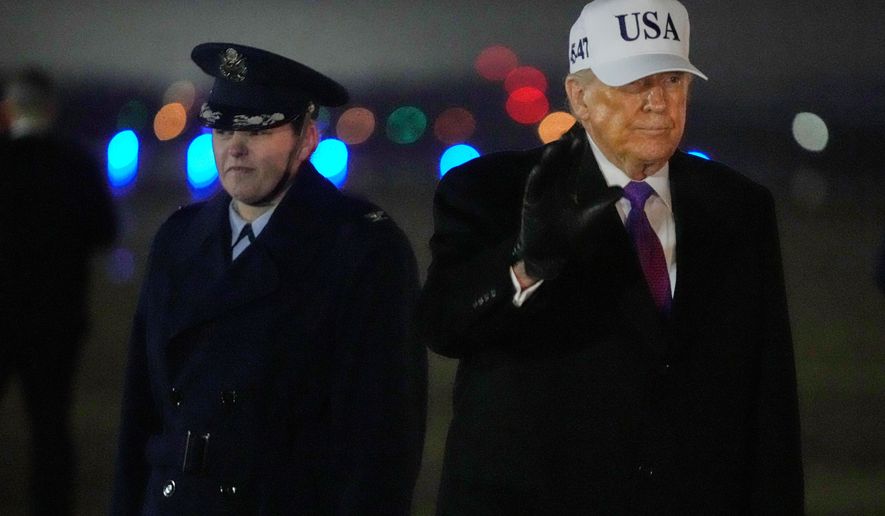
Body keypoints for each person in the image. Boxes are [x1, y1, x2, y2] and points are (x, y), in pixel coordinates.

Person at [417, 0, 805, 513]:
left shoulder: (738, 207)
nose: (658, 103)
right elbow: (445, 325)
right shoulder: (492, 191)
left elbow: (768, 397)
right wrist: (527, 265)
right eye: (633, 83)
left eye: (672, 80)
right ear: (578, 95)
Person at [111, 43, 427, 515]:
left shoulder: (361, 248)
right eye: (221, 127)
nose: (234, 147)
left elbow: (382, 440)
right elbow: (142, 411)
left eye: (257, 129)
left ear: (306, 138)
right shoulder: (179, 239)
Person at [0, 68, 117, 515]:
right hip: (57, 319)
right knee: (51, 425)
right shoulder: (77, 163)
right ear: (51, 108)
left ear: (8, 109)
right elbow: (104, 232)